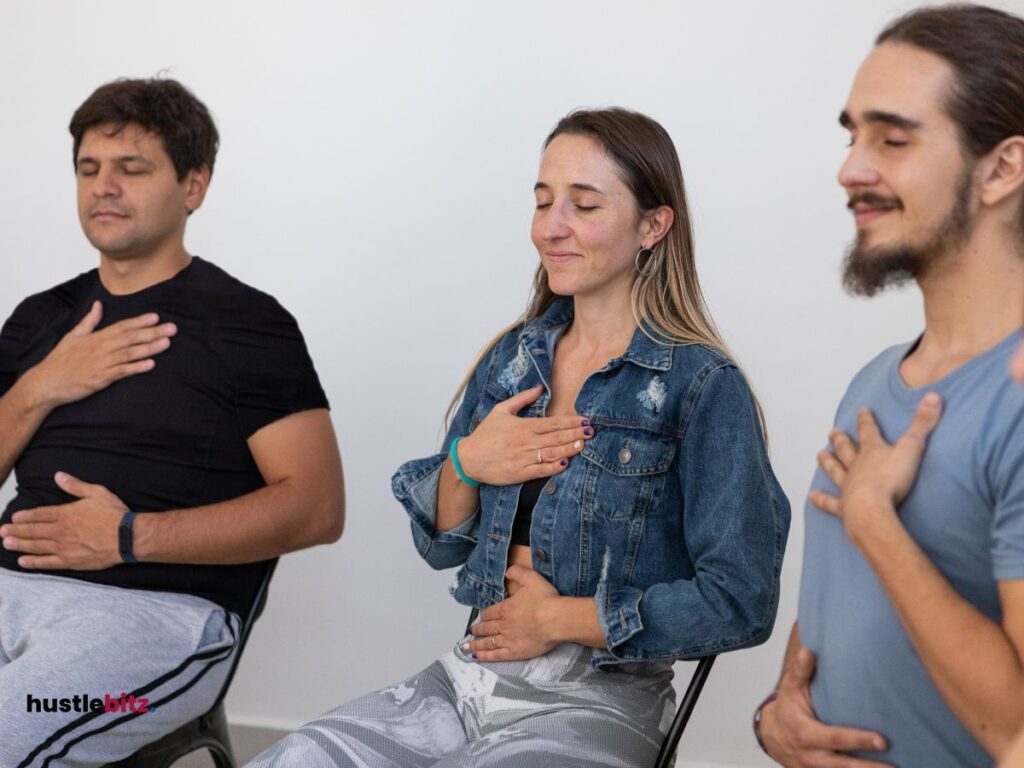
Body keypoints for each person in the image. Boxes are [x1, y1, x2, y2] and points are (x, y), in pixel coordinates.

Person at [248, 107, 790, 768]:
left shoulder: (702, 385)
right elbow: (440, 546)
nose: (551, 228)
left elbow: (741, 601)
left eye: (583, 205)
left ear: (653, 225)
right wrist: (467, 463)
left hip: (600, 698)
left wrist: (557, 620)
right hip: (466, 679)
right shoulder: (514, 360)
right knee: (295, 758)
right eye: (543, 202)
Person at [0, 78, 345, 767]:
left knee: (11, 731)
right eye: (89, 168)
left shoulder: (248, 324)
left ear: (194, 186)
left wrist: (129, 537)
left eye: (132, 169)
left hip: (158, 623)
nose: (104, 186)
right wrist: (41, 387)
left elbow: (317, 509)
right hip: (10, 589)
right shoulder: (42, 318)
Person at [754, 4, 1024, 766]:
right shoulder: (875, 381)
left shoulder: (1017, 402)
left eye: (892, 139)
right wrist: (780, 715)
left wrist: (874, 517)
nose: (851, 169)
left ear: (1002, 167)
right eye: (852, 135)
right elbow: (838, 601)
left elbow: (1019, 728)